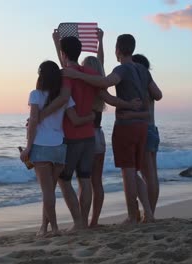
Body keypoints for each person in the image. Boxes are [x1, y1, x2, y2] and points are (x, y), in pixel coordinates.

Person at [63, 34, 161, 224]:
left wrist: (77, 74)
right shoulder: (142, 69)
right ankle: (148, 213)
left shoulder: (121, 69)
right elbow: (158, 94)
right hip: (143, 126)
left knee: (127, 172)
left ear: (117, 49)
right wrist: (140, 107)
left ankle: (133, 216)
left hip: (126, 126)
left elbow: (105, 83)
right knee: (134, 172)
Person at [50, 29, 142, 228]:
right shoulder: (95, 78)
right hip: (95, 136)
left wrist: (57, 42)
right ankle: (90, 221)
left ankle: (80, 222)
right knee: (91, 181)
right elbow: (102, 75)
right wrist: (100, 41)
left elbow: (64, 66)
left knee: (68, 179)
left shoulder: (72, 75)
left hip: (77, 136)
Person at [20, 60, 93, 236]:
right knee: (50, 192)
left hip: (41, 146)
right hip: (60, 146)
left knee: (47, 193)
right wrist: (91, 117)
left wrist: (28, 148)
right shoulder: (64, 97)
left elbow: (33, 123)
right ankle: (44, 227)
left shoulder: (36, 95)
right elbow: (74, 119)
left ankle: (54, 228)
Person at [118, 54, 163, 216]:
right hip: (153, 129)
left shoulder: (139, 84)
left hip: (144, 129)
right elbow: (158, 95)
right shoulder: (149, 84)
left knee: (147, 175)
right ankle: (150, 212)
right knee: (152, 175)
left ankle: (148, 213)